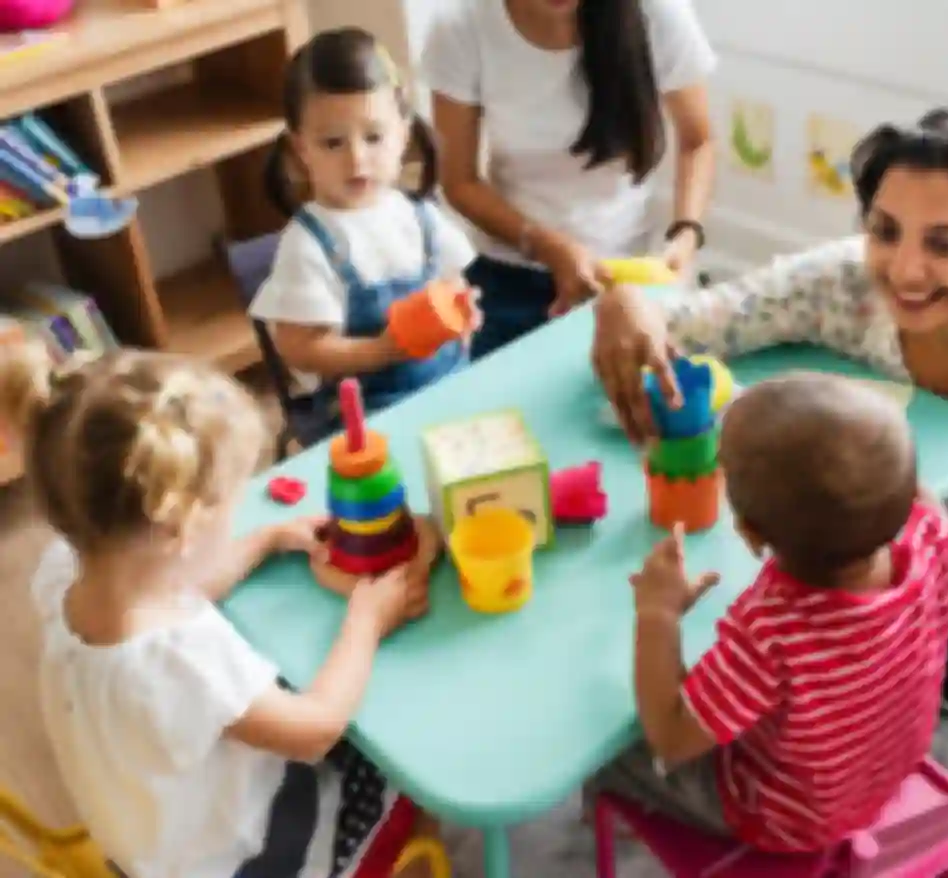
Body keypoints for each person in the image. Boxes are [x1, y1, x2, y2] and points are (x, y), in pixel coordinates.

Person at [590, 104, 948, 829]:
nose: (903, 270)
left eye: (947, 244)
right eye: (884, 231)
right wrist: (626, 302)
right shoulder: (845, 283)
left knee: (641, 694)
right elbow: (698, 319)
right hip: (845, 560)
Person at [0, 343, 443, 878]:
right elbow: (316, 729)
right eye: (230, 508)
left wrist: (266, 539)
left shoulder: (63, 573)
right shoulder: (182, 663)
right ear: (182, 529)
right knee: (403, 766)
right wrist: (367, 621)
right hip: (242, 862)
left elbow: (175, 587)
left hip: (143, 848)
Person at [585, 373, 948, 851]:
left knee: (607, 746)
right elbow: (905, 492)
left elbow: (672, 737)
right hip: (886, 772)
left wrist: (658, 614)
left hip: (788, 822)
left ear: (748, 532)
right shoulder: (932, 536)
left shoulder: (773, 631)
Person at [422, 0, 717, 358]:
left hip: (629, 269)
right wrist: (548, 246)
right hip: (510, 271)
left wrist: (686, 234)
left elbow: (697, 140)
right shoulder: (462, 26)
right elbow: (459, 181)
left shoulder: (656, 12)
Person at [250, 28, 479, 428]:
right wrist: (381, 350)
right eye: (333, 143)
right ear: (301, 147)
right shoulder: (308, 245)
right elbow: (299, 349)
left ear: (403, 134)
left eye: (374, 137)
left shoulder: (418, 215)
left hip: (451, 386)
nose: (357, 160)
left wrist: (463, 307)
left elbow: (454, 280)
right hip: (370, 417)